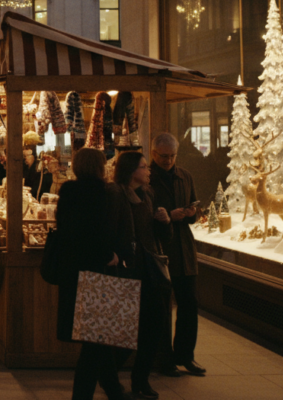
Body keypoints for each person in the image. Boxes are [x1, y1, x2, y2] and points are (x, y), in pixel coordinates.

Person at [54, 148, 133, 400]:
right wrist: (114, 256)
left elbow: (64, 229)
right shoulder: (106, 193)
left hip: (72, 272)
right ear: (100, 166)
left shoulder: (67, 191)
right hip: (98, 272)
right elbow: (104, 233)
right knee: (95, 342)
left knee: (97, 338)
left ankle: (113, 389)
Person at [108, 152, 172, 400]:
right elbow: (109, 229)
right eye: (144, 167)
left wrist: (164, 222)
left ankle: (140, 378)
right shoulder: (115, 194)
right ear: (130, 170)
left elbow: (158, 236)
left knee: (153, 325)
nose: (149, 171)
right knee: (124, 331)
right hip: (126, 270)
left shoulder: (148, 194)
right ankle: (110, 377)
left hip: (149, 269)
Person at [149, 132, 203, 377]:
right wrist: (169, 215)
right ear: (153, 154)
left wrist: (191, 213)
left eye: (172, 156)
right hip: (160, 249)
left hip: (184, 249)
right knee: (161, 308)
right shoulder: (146, 179)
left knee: (189, 304)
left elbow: (196, 209)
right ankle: (164, 359)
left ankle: (186, 355)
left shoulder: (185, 176)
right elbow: (143, 218)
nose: (168, 160)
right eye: (163, 156)